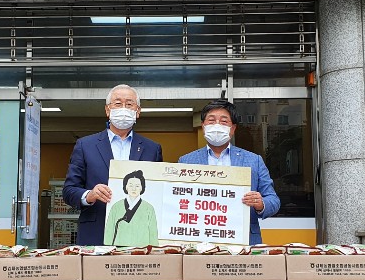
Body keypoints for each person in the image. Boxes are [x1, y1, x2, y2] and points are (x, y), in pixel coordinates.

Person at [62, 84, 163, 246]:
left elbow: (158, 193)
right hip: (96, 235)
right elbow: (69, 191)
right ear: (107, 110)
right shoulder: (85, 145)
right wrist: (89, 195)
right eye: (117, 103)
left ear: (138, 112)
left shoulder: (152, 149)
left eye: (129, 104)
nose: (123, 108)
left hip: (139, 237)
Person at [178, 99, 280, 245]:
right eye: (211, 120)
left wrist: (261, 204)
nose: (217, 125)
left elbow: (273, 200)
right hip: (200, 241)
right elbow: (177, 202)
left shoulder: (254, 160)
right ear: (203, 126)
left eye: (223, 121)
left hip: (244, 240)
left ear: (233, 128)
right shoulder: (186, 161)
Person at [103, 169, 159, 246]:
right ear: (125, 186)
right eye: (130, 185)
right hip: (119, 250)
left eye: (137, 186)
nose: (134, 189)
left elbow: (153, 235)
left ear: (142, 187)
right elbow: (109, 232)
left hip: (141, 251)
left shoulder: (149, 208)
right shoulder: (116, 207)